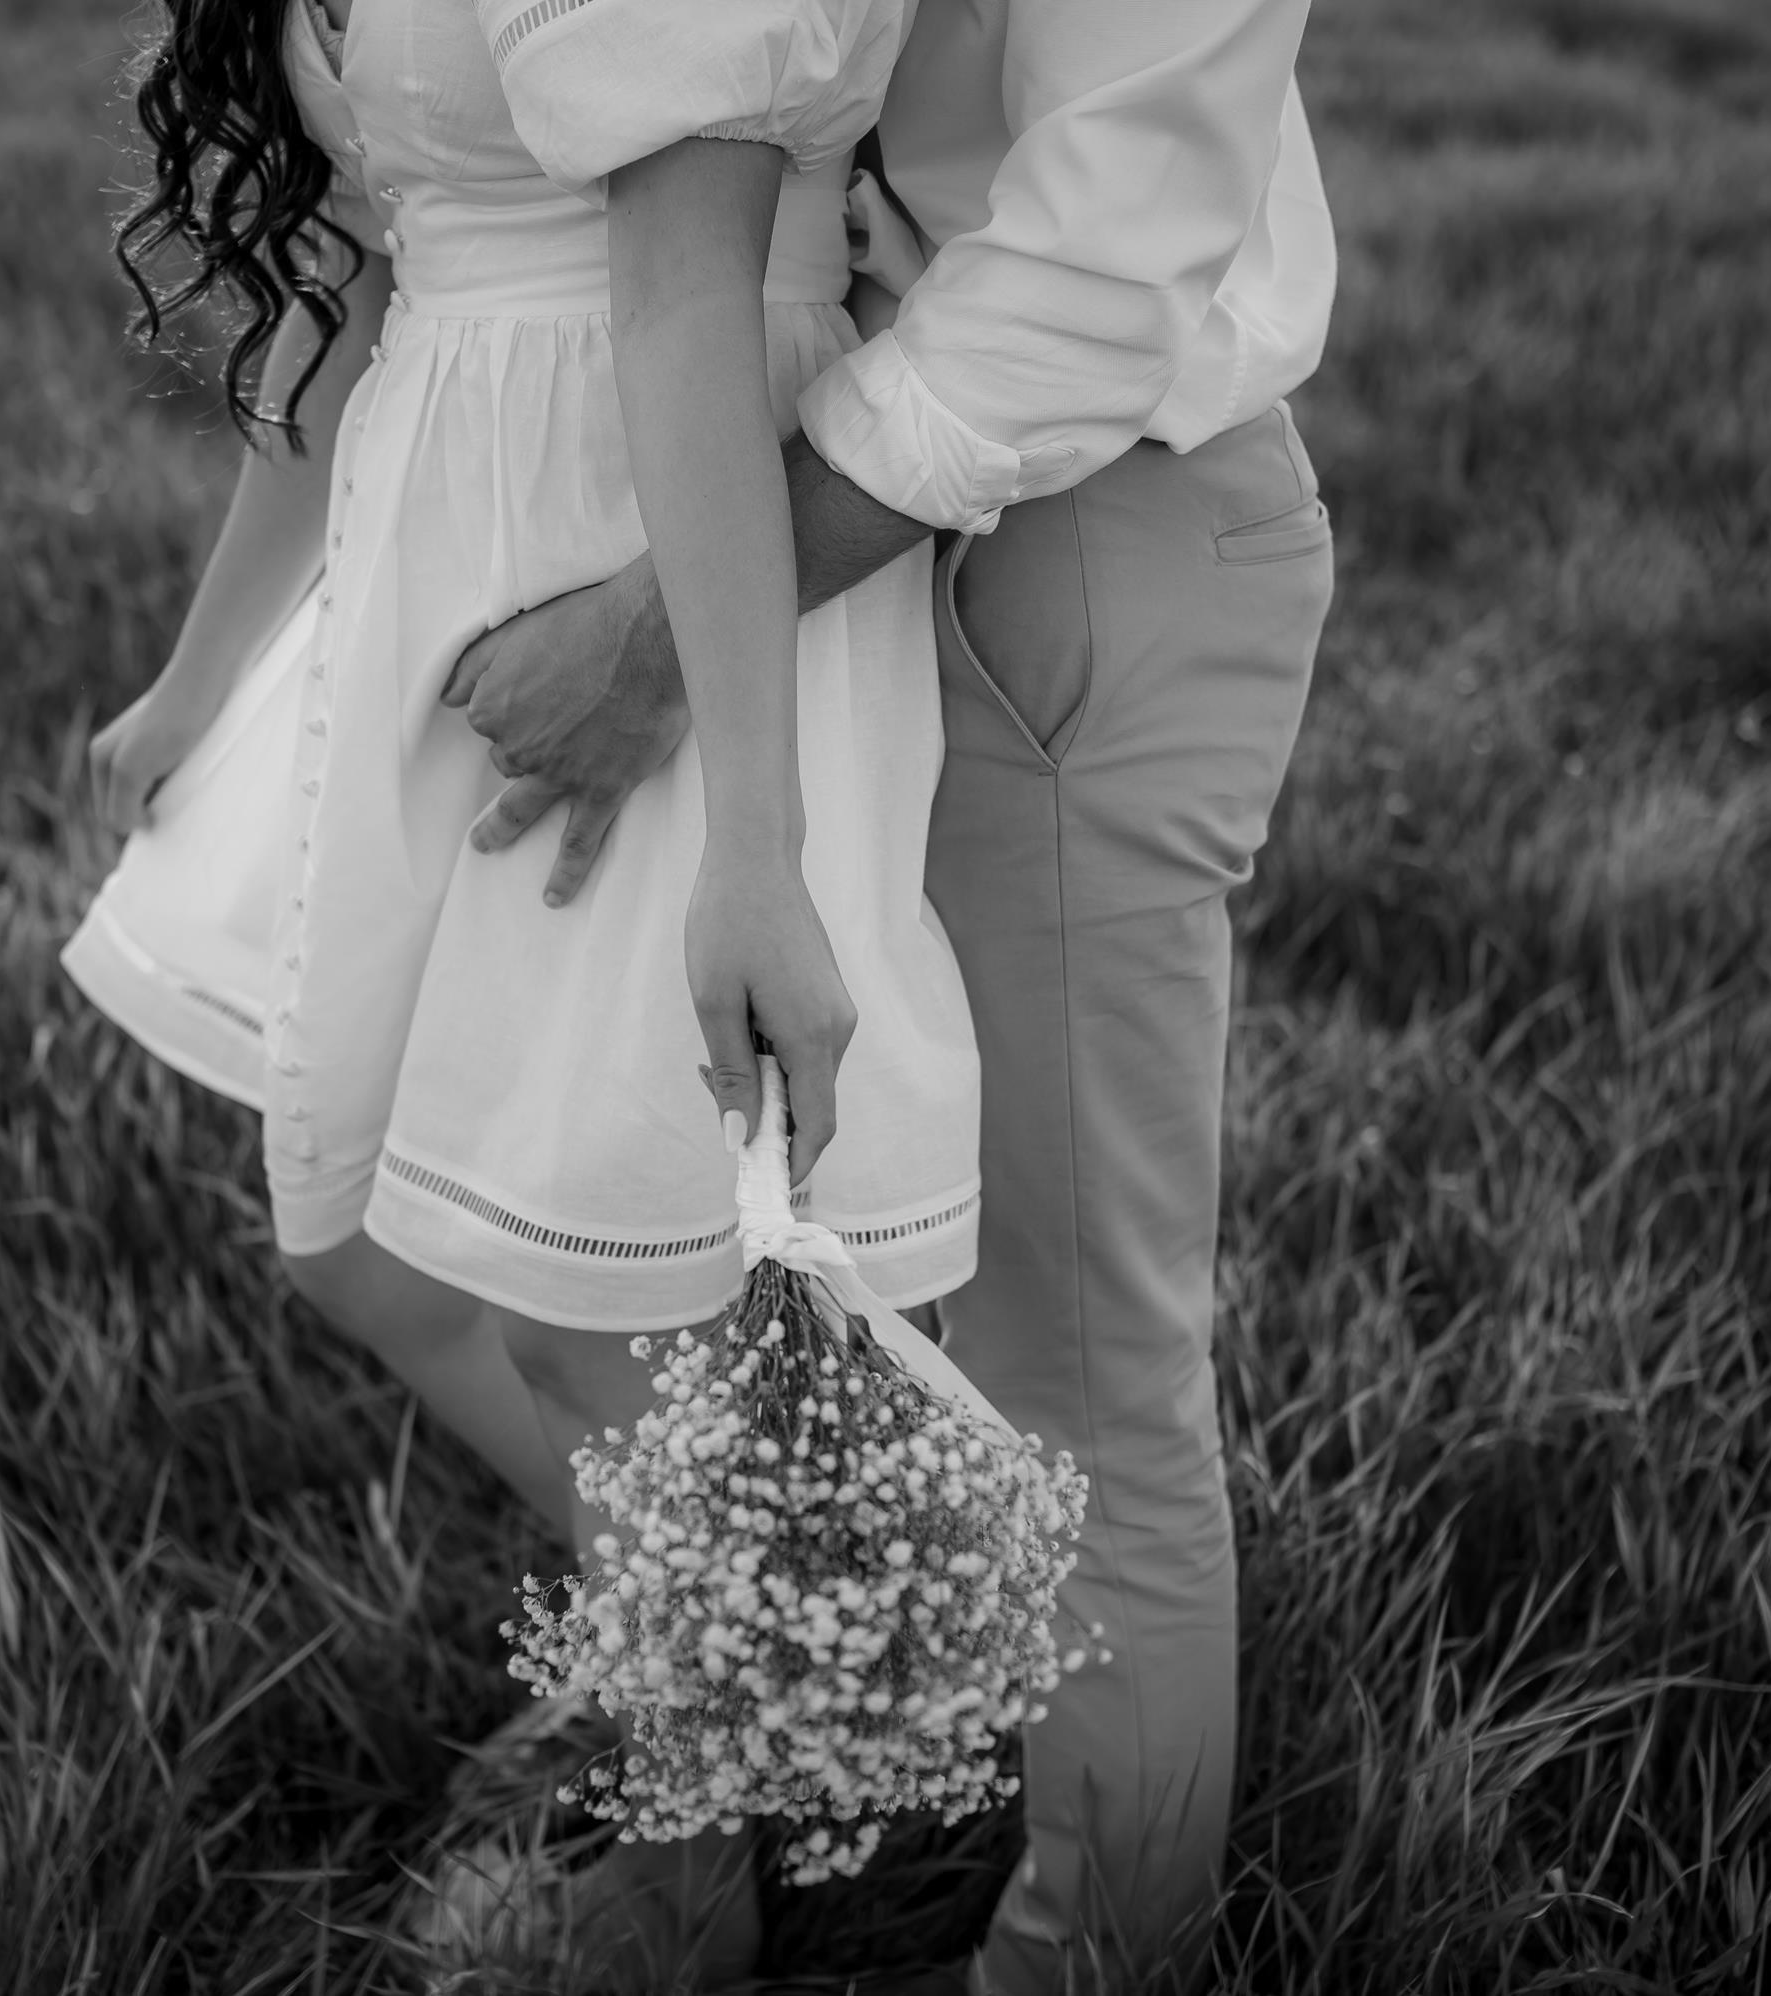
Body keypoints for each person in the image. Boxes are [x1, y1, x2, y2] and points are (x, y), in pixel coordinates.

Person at [66, 0, 976, 1979]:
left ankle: (684, 1878)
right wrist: (207, 670)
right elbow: (366, 287)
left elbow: (683, 297)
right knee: (354, 1236)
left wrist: (751, 830)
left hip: (667, 547)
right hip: (444, 565)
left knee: (595, 1305)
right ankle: (749, 1651)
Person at [440, 3, 1338, 1988]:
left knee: (1074, 1364)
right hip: (851, 510)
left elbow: (1094, 275)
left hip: (1059, 517)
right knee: (773, 1252)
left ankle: (1089, 1955)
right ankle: (750, 1760)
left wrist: (671, 628)